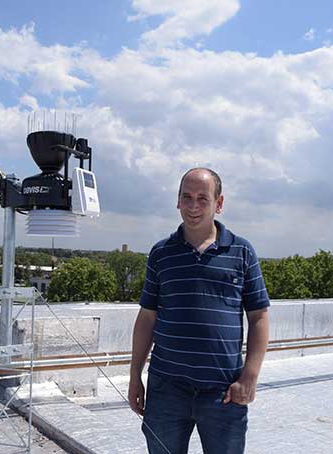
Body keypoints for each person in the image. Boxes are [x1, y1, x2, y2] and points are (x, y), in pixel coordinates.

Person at [128, 168, 270, 454]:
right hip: (166, 390)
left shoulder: (241, 252)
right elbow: (147, 318)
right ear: (177, 201)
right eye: (187, 197)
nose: (193, 206)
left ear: (219, 203)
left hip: (223, 393)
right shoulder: (161, 253)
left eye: (203, 198)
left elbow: (259, 317)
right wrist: (135, 376)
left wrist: (249, 377)